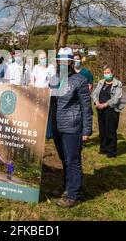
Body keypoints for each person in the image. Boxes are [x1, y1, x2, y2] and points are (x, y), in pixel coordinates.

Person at [50, 47, 92, 208]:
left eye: (66, 61)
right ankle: (68, 187)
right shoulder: (54, 79)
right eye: (60, 61)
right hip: (56, 126)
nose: (62, 64)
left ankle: (74, 195)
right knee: (64, 159)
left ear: (71, 63)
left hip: (71, 127)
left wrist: (86, 130)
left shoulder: (79, 80)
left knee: (73, 160)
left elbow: (86, 107)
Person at [92, 66, 124, 158]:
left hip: (111, 110)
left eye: (108, 72)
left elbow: (116, 98)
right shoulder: (101, 82)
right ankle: (103, 148)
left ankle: (111, 151)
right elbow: (94, 93)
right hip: (100, 109)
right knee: (102, 130)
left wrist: (105, 104)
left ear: (112, 73)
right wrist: (96, 102)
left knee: (110, 130)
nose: (106, 74)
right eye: (105, 72)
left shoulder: (118, 84)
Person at [30, 51, 56, 139]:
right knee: (37, 112)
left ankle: (48, 133)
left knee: (47, 114)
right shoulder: (36, 67)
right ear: (38, 59)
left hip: (47, 92)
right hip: (37, 92)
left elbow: (53, 80)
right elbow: (32, 78)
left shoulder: (51, 67)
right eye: (41, 58)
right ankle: (37, 131)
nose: (43, 59)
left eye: (45, 57)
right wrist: (33, 87)